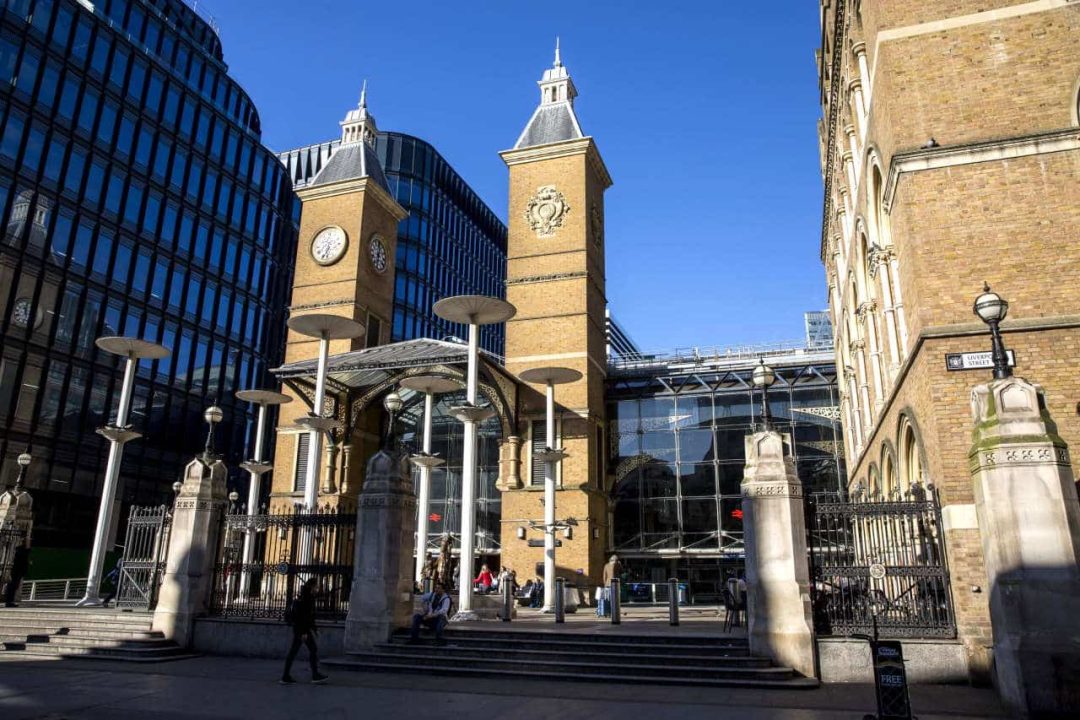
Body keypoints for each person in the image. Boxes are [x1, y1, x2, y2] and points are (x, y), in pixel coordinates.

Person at [281, 578, 328, 685]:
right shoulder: (307, 598)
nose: (318, 588)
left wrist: (315, 629)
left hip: (301, 629)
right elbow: (303, 617)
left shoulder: (306, 596)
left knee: (295, 651)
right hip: (302, 629)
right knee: (311, 649)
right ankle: (315, 675)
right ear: (312, 586)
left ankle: (285, 675)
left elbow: (309, 617)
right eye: (317, 586)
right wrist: (304, 632)